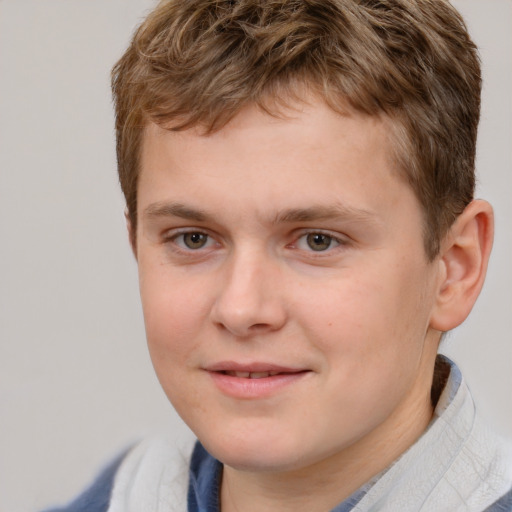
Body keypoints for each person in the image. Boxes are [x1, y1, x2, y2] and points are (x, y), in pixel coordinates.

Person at [44, 0, 512, 510]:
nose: (242, 310)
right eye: (193, 238)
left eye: (318, 240)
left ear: (454, 269)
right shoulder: (120, 496)